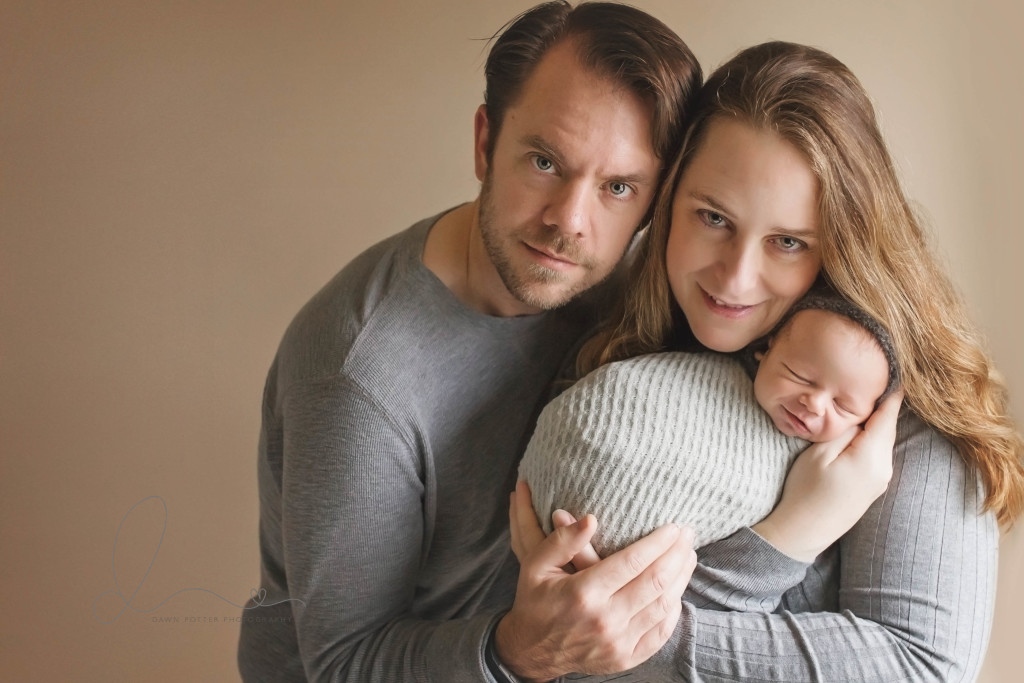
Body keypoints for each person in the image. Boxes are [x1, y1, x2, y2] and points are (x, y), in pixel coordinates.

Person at [504, 41, 1024, 681]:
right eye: (713, 217)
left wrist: (785, 540)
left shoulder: (895, 407)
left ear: (843, 243)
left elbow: (923, 667)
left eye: (787, 241)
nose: (736, 278)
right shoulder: (609, 342)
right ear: (668, 203)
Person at [236, 2, 705, 681]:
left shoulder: (632, 282)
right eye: (545, 161)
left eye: (617, 187)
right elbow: (342, 664)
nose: (570, 221)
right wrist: (522, 649)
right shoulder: (359, 376)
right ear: (485, 143)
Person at [519, 292, 899, 557]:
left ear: (868, 419)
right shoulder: (696, 373)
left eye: (843, 405)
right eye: (799, 375)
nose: (813, 403)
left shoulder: (828, 468)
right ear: (765, 351)